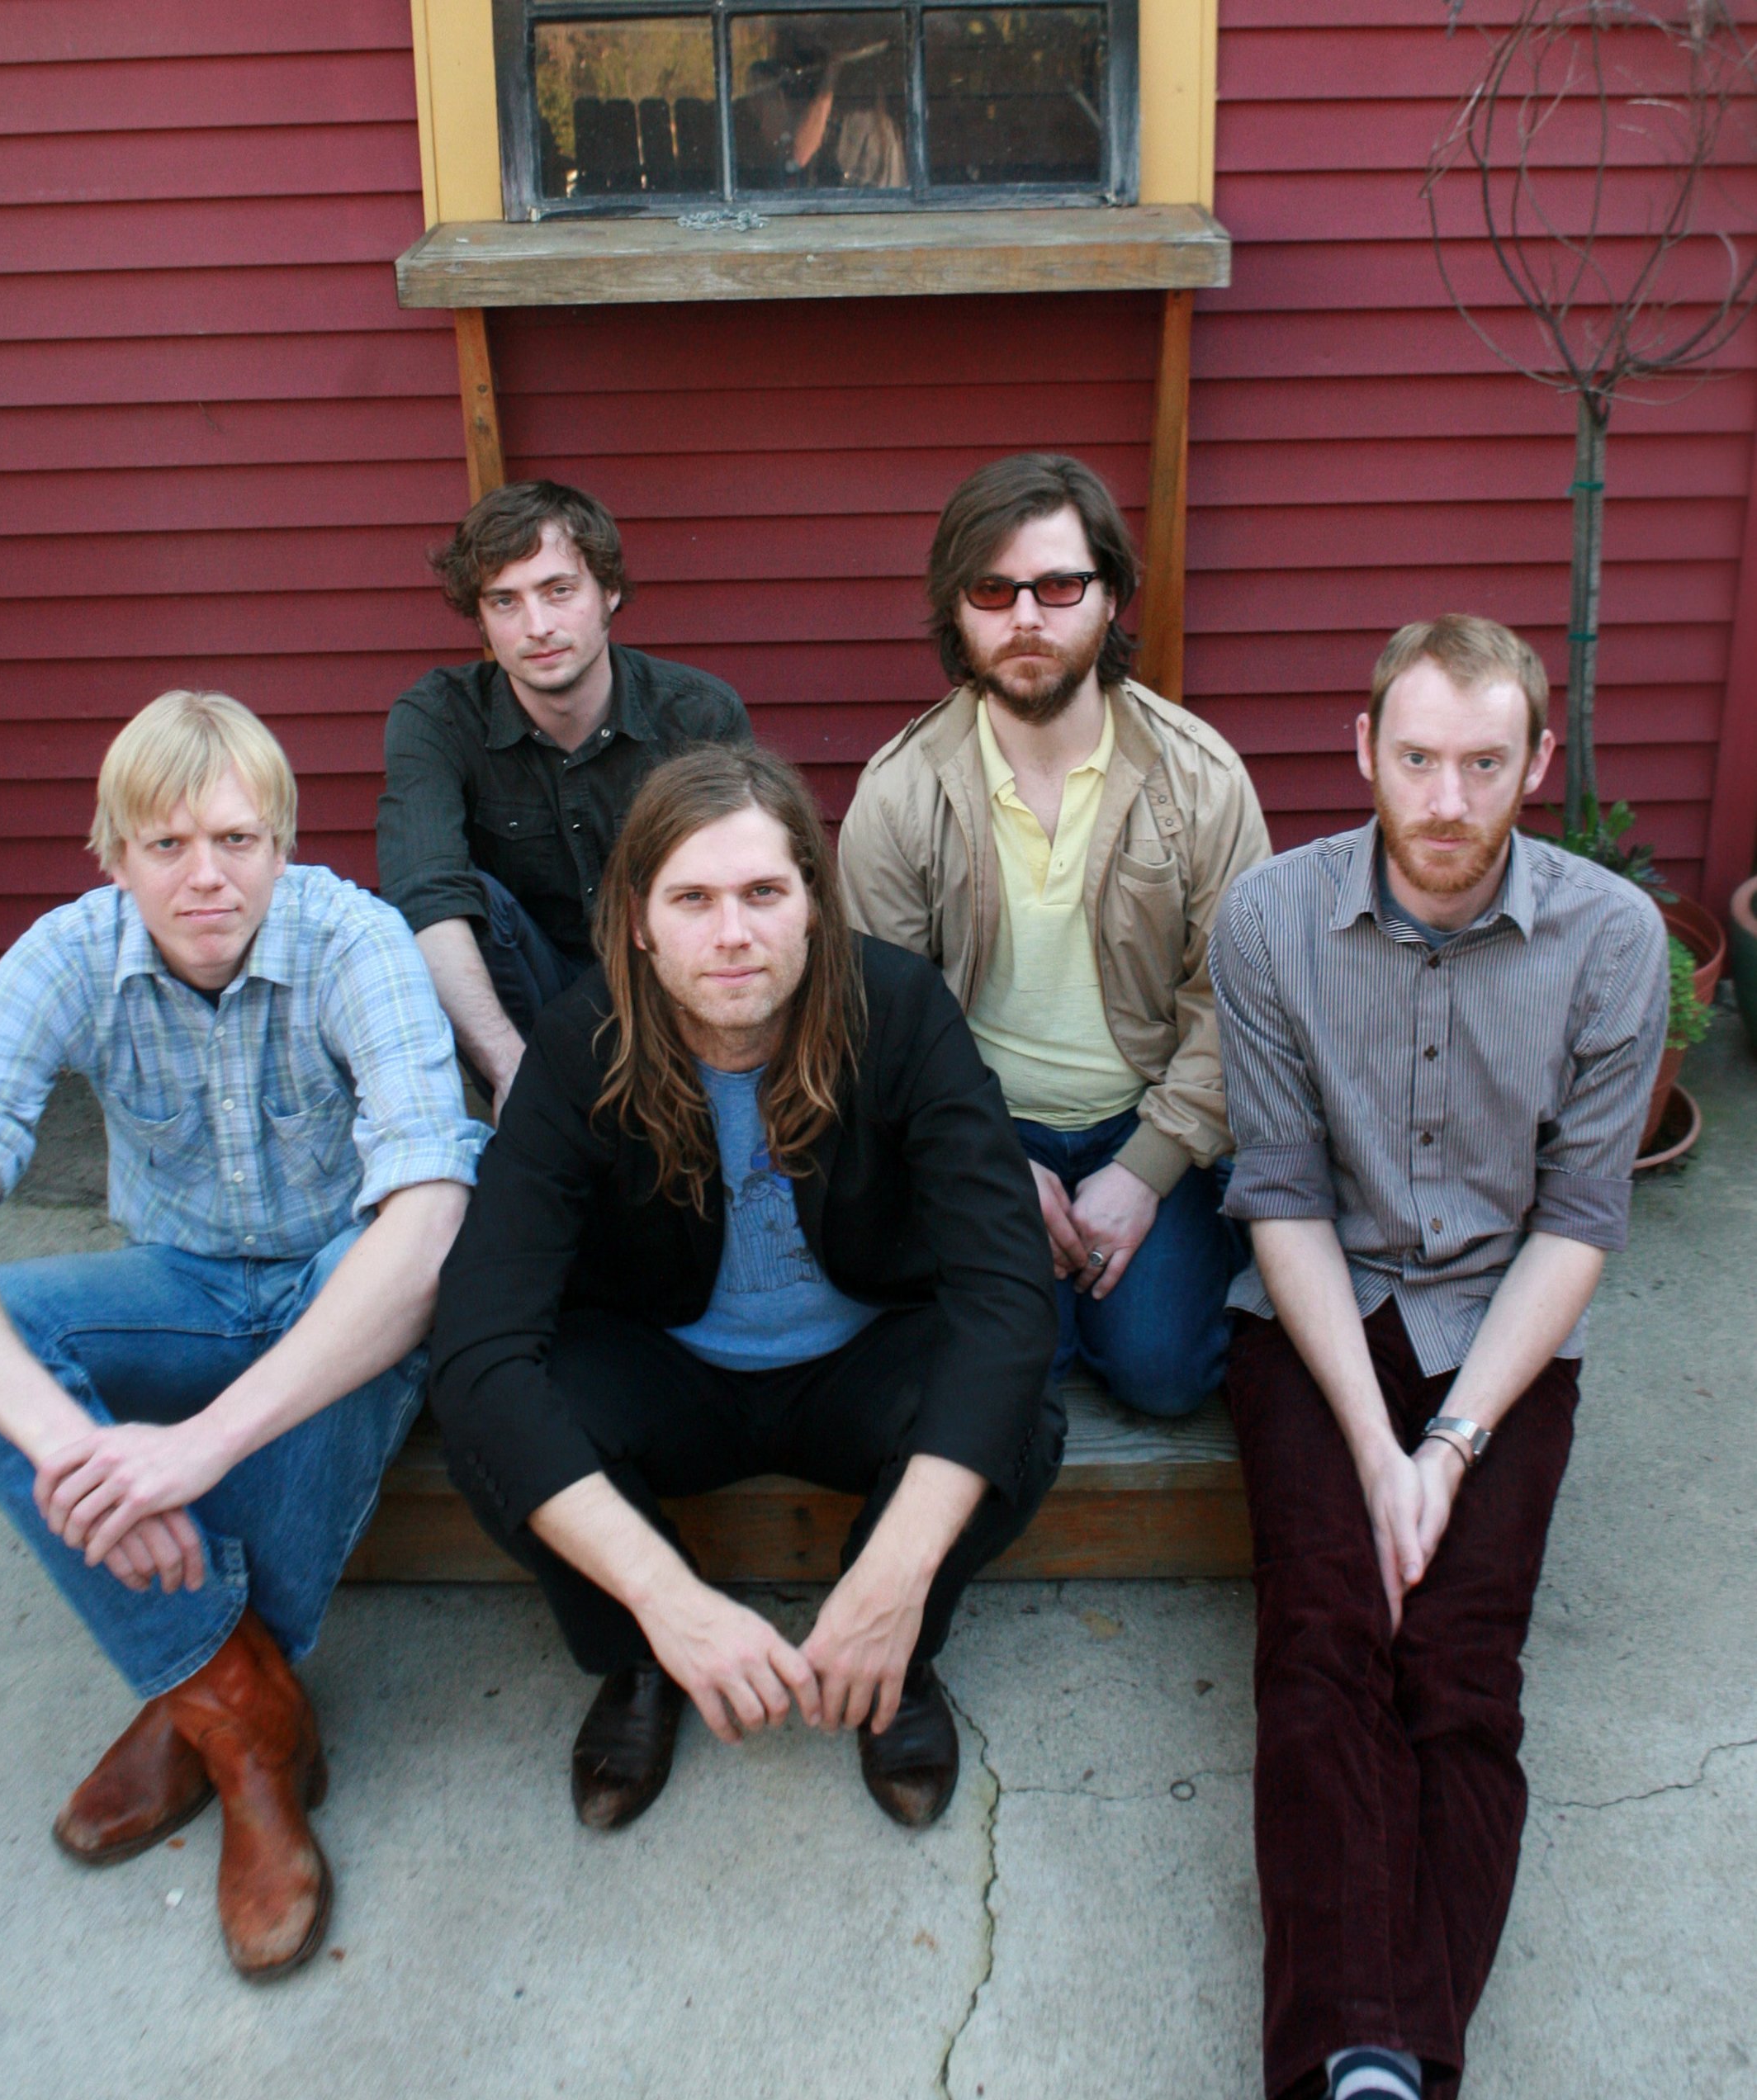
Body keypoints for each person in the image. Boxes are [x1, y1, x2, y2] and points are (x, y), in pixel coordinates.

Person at [1130, 617, 1668, 2100]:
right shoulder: (1270, 918)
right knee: (1318, 1643)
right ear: (1361, 747)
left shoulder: (1610, 938)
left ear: (1535, 762)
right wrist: (1373, 1443)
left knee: (1459, 1677)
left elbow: (1578, 1222)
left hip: (1501, 1331)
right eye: (1415, 757)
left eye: (1483, 763)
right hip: (1321, 1319)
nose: (1446, 798)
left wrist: (1450, 1439)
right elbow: (1279, 1194)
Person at [0, 692, 485, 1981]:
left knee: (369, 1286)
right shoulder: (63, 956)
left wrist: (196, 1451)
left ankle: (200, 1705)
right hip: (184, 1283)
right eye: (167, 844)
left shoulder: (355, 940)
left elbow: (430, 1222)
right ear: (113, 853)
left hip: (337, 1284)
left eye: (238, 840)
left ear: (284, 843)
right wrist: (73, 1448)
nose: (207, 876)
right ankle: (243, 1708)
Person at [429, 742, 1063, 1833]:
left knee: (1015, 1412)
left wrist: (893, 1577)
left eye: (764, 892)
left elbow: (1007, 1293)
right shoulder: (581, 1043)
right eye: (693, 898)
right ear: (639, 920)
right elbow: (480, 1348)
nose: (732, 933)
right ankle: (638, 1658)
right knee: (497, 1426)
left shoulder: (899, 1010)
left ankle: (893, 1649)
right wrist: (667, 1601)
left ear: (813, 903)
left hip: (862, 1359)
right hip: (668, 1366)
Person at [839, 453, 1271, 1421]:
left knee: (1163, 1375)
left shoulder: (1201, 780)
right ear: (957, 611)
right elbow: (883, 1022)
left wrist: (1147, 1171)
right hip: (979, 1120)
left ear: (1110, 595)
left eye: (1059, 585)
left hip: (1147, 1119)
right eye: (993, 590)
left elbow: (1235, 1004)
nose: (1026, 616)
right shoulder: (900, 793)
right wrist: (986, 1158)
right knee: (1010, 1369)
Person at [379, 478, 753, 1114]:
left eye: (558, 591)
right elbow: (424, 897)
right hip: (519, 1008)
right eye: (505, 601)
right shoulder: (438, 718)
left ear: (608, 591)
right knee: (467, 896)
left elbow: (740, 894)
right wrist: (510, 1071)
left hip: (666, 995)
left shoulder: (698, 714)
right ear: (480, 617)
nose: (538, 627)